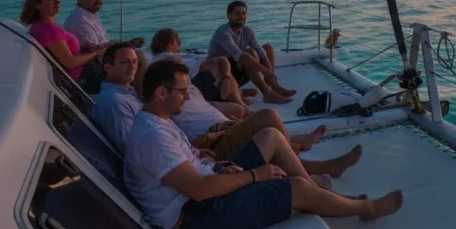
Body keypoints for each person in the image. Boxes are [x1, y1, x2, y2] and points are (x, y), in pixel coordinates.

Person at [124, 59, 403, 229]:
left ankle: (323, 192)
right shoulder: (151, 136)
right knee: (296, 189)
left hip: (205, 188)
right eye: (183, 92)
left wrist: (217, 164)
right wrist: (256, 175)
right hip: (197, 217)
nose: (186, 97)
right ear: (161, 93)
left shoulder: (159, 121)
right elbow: (198, 190)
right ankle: (364, 210)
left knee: (270, 135)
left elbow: (191, 171)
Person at [95, 42, 331, 160]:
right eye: (126, 62)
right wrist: (205, 143)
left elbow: (164, 132)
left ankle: (300, 152)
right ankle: (308, 163)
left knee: (253, 118)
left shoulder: (130, 98)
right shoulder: (117, 103)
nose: (133, 66)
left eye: (135, 62)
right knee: (268, 120)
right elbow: (141, 152)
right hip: (203, 153)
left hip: (203, 144)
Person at [64, 0, 147, 93]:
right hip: (91, 69)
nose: (99, 0)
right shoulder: (80, 20)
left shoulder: (90, 14)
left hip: (97, 60)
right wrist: (128, 46)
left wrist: (128, 44)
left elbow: (104, 44)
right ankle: (143, 96)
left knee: (133, 54)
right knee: (138, 58)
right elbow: (98, 52)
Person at [207, 1, 295, 104]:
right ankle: (267, 94)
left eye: (244, 13)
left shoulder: (247, 31)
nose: (241, 16)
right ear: (229, 16)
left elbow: (261, 52)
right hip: (220, 74)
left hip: (235, 68)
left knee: (267, 48)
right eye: (237, 13)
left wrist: (270, 75)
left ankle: (274, 87)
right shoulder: (223, 32)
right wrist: (265, 71)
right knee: (249, 53)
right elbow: (240, 56)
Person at [21, 0, 103, 84]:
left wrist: (86, 47)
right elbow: (70, 62)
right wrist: (96, 54)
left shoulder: (40, 25)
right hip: (83, 75)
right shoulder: (49, 30)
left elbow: (60, 47)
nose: (58, 1)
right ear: (38, 5)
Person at [150, 28, 247, 107]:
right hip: (197, 94)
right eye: (178, 43)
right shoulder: (174, 59)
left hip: (186, 93)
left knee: (221, 69)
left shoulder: (154, 61)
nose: (179, 48)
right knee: (220, 68)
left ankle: (238, 96)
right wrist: (226, 78)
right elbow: (220, 61)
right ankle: (240, 102)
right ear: (170, 43)